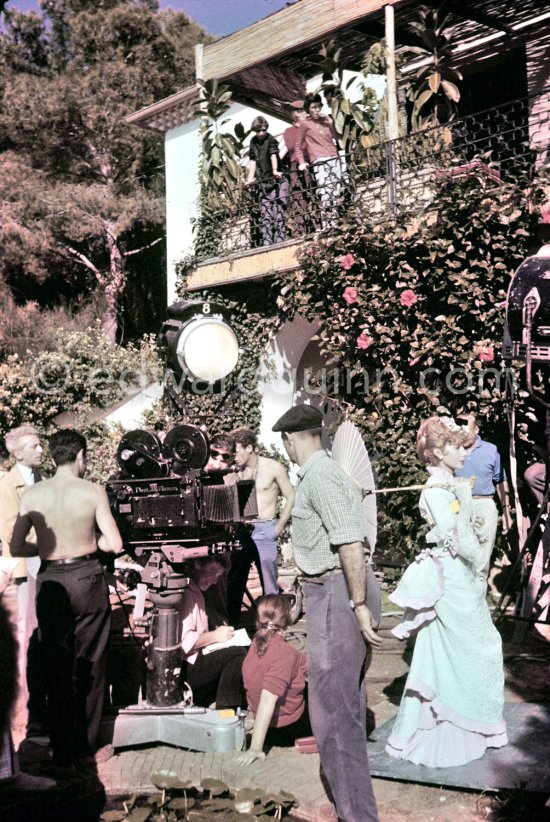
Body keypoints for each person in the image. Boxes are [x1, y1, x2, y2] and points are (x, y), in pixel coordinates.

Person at [272, 403, 382, 822]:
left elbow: (350, 543)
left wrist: (356, 606)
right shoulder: (322, 474)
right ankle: (351, 809)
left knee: (335, 718)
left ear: (290, 440)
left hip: (339, 591)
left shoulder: (320, 476)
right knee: (337, 711)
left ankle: (358, 816)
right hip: (330, 591)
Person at [386, 415, 508, 767]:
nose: (464, 451)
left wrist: (476, 532)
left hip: (463, 576)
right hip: (453, 577)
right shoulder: (436, 489)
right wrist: (477, 552)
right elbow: (456, 537)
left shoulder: (450, 483)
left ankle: (472, 720)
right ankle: (458, 719)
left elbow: (463, 530)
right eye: (455, 446)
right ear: (438, 452)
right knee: (479, 647)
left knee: (470, 647)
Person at [10, 429, 123, 772]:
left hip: (50, 581)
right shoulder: (92, 491)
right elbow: (115, 543)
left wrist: (44, 548)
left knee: (56, 665)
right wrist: (93, 541)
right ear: (80, 456)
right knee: (90, 663)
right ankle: (85, 748)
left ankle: (60, 751)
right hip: (86, 577)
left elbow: (16, 547)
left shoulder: (32, 494)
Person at [0, 424, 46, 737]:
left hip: (43, 563)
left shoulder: (41, 480)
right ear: (18, 453)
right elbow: (7, 532)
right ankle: (27, 712)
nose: (41, 450)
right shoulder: (7, 485)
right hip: (25, 566)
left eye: (40, 445)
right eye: (34, 446)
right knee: (26, 637)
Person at [226, 427, 295, 626]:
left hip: (265, 529)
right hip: (241, 529)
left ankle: (274, 628)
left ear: (249, 448)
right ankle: (232, 627)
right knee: (235, 580)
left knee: (269, 582)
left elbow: (291, 496)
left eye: (236, 451)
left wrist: (279, 527)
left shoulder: (273, 467)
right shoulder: (234, 471)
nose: (233, 456)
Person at [236, 593, 309, 766]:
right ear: (288, 618)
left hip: (268, 724)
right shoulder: (286, 654)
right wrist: (255, 748)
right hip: (284, 730)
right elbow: (268, 699)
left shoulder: (257, 643)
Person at [179, 555, 246, 709]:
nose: (215, 580)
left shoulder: (196, 592)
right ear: (197, 564)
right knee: (237, 653)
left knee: (237, 650)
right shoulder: (188, 594)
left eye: (218, 575)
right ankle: (226, 708)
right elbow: (187, 642)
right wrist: (216, 636)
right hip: (186, 667)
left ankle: (211, 698)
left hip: (193, 661)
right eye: (212, 571)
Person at [455, 414, 513, 579]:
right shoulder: (451, 450)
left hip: (484, 504)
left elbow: (500, 481)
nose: (463, 434)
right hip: (457, 505)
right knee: (457, 553)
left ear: (476, 429)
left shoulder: (491, 450)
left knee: (482, 556)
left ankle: (477, 596)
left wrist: (507, 513)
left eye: (467, 431)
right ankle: (458, 596)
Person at [294, 93, 341, 229]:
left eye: (319, 106)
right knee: (326, 191)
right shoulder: (305, 124)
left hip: (333, 156)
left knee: (335, 190)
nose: (317, 110)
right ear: (308, 109)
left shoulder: (326, 121)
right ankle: (328, 225)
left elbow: (336, 138)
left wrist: (331, 123)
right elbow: (298, 146)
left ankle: (335, 222)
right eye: (313, 107)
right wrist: (302, 162)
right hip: (319, 160)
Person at [245, 116, 288, 246]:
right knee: (266, 214)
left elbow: (273, 155)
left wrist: (275, 170)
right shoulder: (253, 142)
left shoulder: (271, 140)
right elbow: (252, 161)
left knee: (278, 212)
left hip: (276, 181)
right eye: (259, 131)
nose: (262, 133)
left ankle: (280, 241)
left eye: (264, 130)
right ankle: (267, 242)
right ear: (255, 131)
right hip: (263, 183)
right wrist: (249, 179)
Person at [281, 101, 312, 235]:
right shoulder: (288, 131)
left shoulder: (311, 127)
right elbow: (292, 147)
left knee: (314, 192)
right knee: (298, 195)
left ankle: (317, 224)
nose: (299, 113)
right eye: (297, 111)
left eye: (301, 110)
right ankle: (300, 229)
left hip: (312, 161)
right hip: (296, 164)